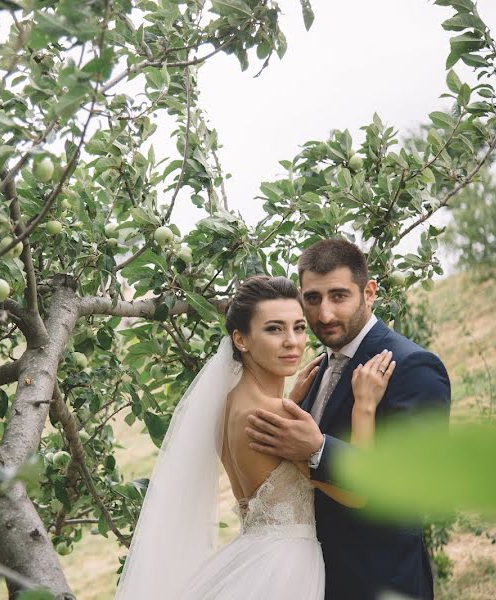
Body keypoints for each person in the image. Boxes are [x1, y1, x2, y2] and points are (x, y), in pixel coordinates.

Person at [114, 275, 396, 599]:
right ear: (241, 340)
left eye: (299, 327)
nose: (292, 341)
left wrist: (289, 400)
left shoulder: (226, 405)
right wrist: (364, 406)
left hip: (251, 557)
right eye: (274, 329)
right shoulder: (276, 416)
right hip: (285, 570)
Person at [245, 239, 451, 600]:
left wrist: (317, 450)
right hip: (313, 579)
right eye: (312, 299)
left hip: (379, 581)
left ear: (368, 292)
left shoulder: (413, 367)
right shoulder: (318, 368)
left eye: (339, 296)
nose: (324, 315)